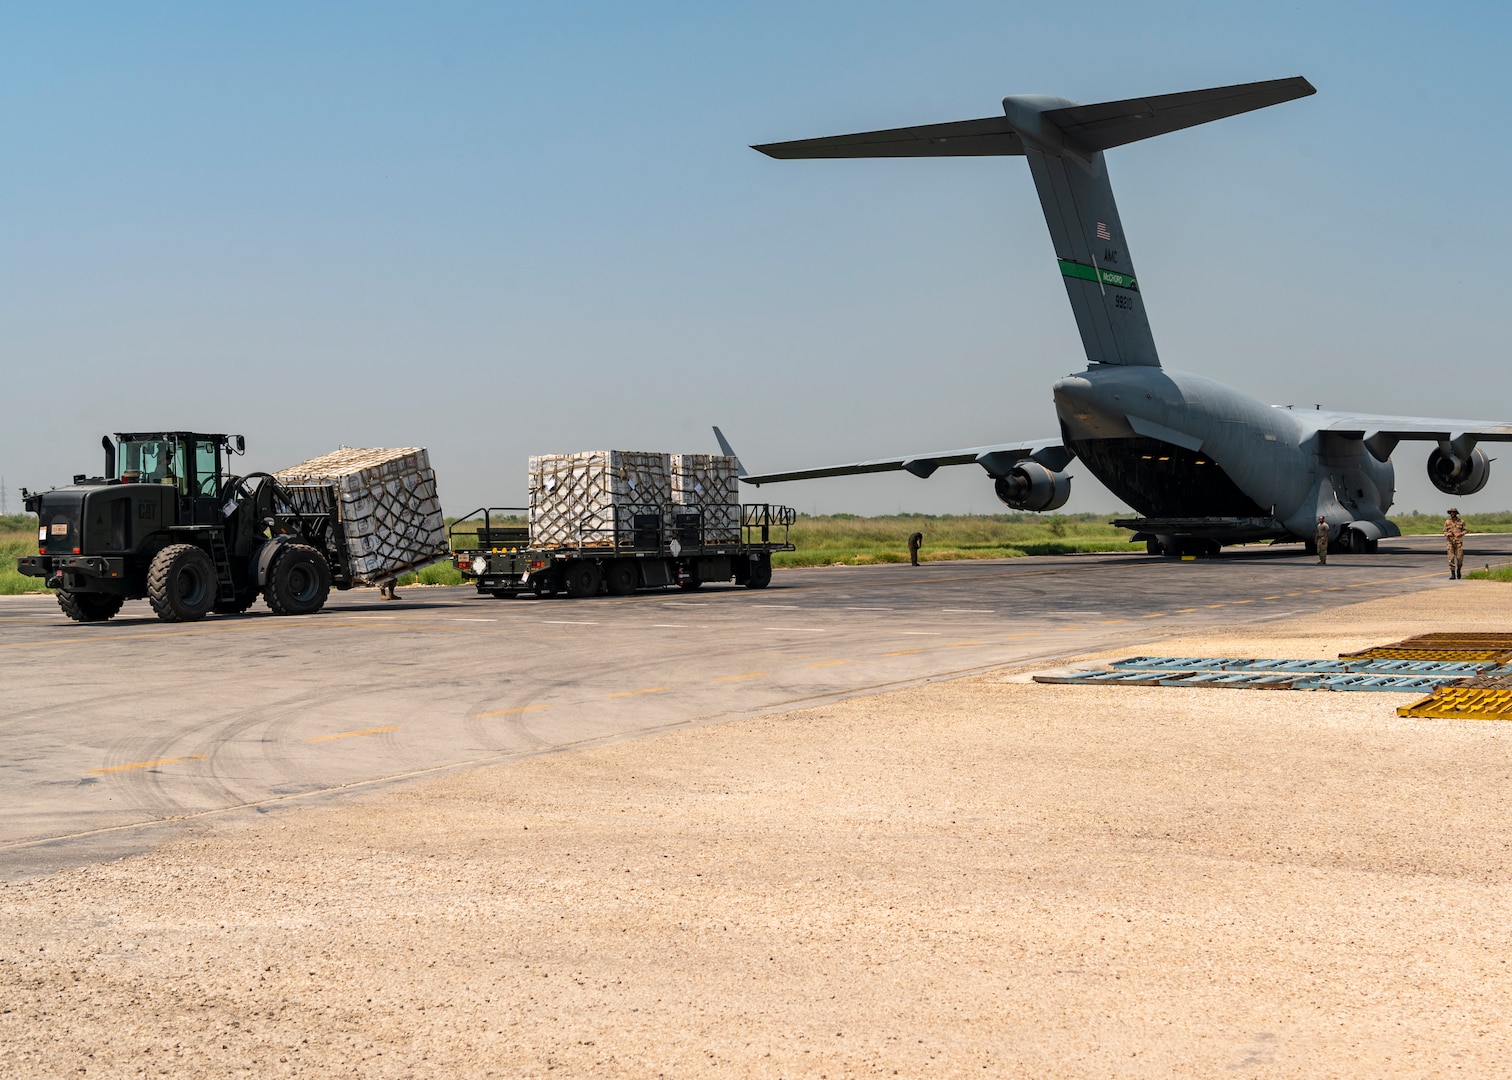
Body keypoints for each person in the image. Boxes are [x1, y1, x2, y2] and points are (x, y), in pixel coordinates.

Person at [1444, 508, 1467, 579]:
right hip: (1450, 542)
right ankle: (1453, 573)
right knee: (1451, 558)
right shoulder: (1447, 522)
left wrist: (1460, 534)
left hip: (1458, 542)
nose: (1452, 513)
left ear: (1456, 513)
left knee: (1459, 558)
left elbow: (1465, 530)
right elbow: (1444, 531)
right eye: (1451, 512)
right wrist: (1448, 534)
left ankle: (1459, 570)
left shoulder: (1461, 521)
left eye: (1453, 512)